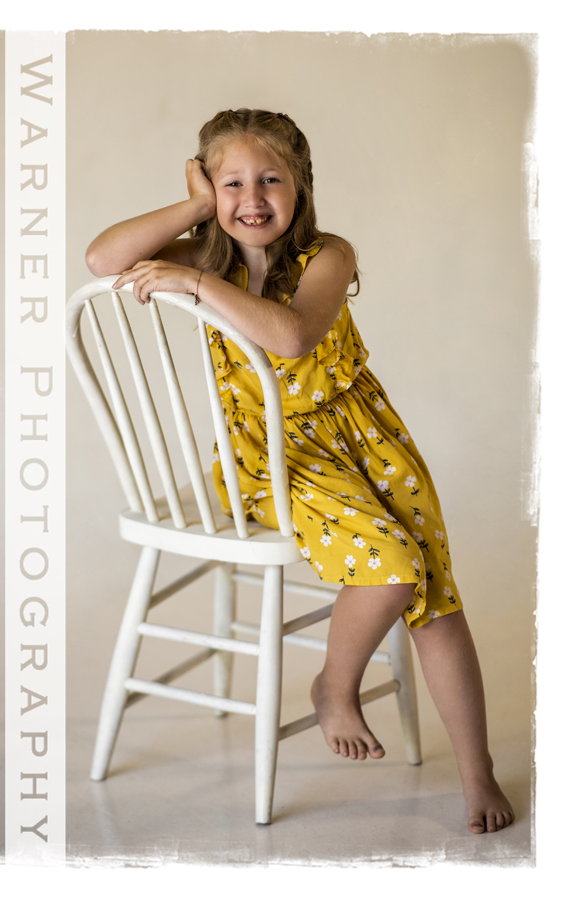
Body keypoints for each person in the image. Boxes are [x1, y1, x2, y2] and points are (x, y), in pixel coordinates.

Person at [85, 108, 514, 835]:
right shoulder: (205, 251)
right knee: (391, 568)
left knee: (434, 589)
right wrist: (193, 209)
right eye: (231, 183)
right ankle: (334, 685)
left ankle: (478, 772)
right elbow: (101, 260)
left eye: (271, 179)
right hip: (269, 462)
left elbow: (288, 337)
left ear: (302, 185)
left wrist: (193, 287)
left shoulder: (327, 255)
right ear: (210, 190)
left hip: (365, 443)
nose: (252, 198)